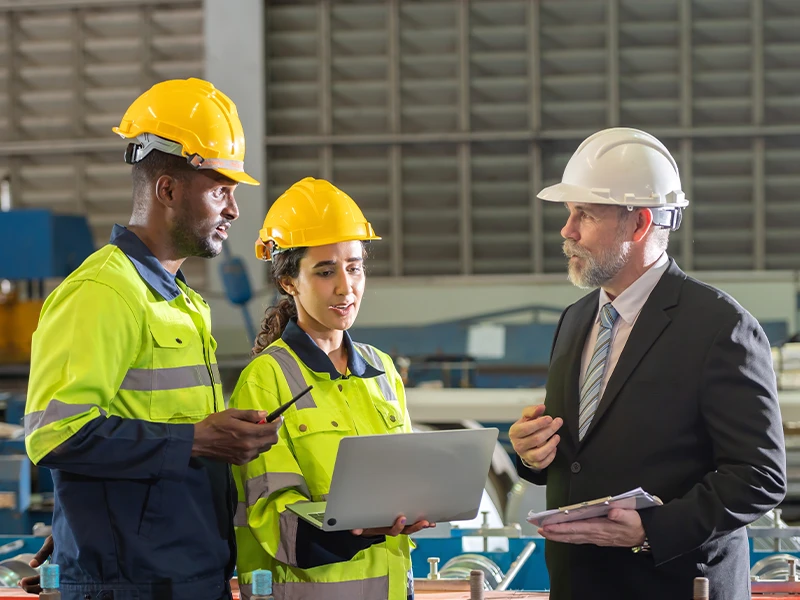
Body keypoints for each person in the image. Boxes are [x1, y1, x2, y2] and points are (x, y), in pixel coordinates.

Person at [22, 78, 282, 600]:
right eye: (220, 190)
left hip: (185, 569)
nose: (233, 210)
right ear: (168, 190)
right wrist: (196, 439)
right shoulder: (103, 292)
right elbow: (53, 434)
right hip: (134, 584)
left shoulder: (180, 301)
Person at [509, 127, 786, 599]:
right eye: (569, 213)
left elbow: (759, 475)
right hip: (580, 586)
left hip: (674, 586)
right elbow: (579, 457)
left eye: (584, 214)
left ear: (638, 224)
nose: (567, 230)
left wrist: (652, 529)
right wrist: (533, 454)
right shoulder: (576, 319)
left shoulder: (719, 326)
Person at [231, 177, 432, 600]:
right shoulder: (265, 379)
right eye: (325, 271)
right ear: (289, 282)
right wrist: (359, 530)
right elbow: (272, 517)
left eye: (354, 267)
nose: (346, 287)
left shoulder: (382, 370)